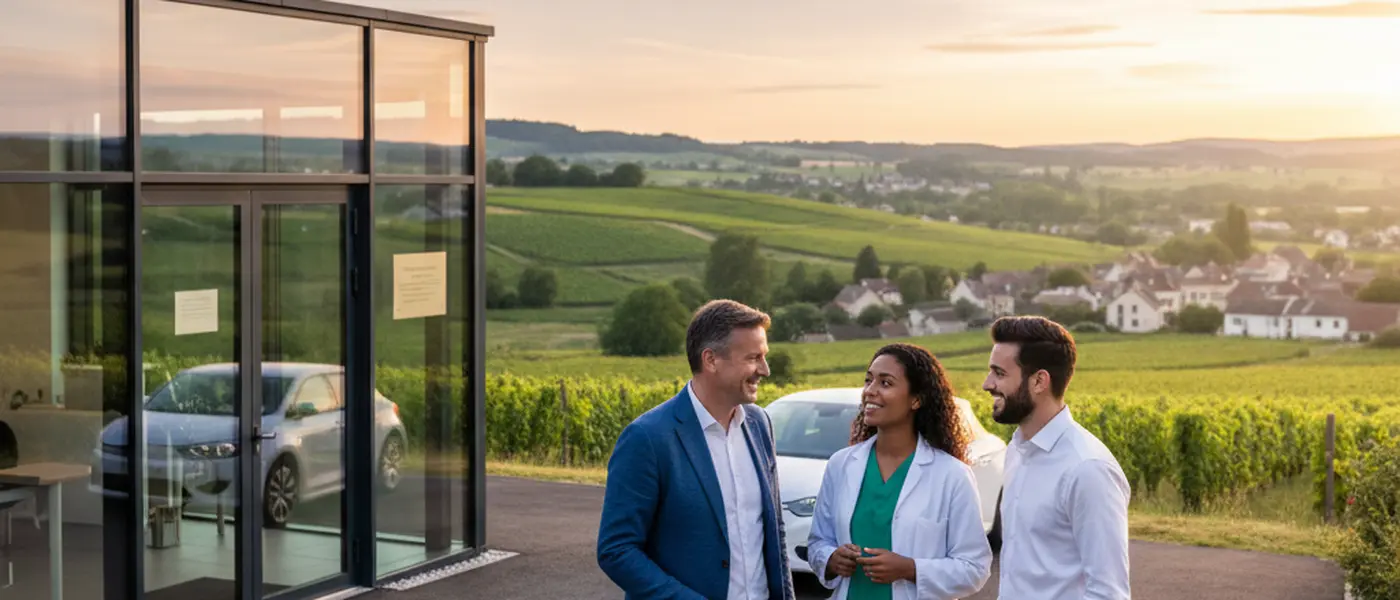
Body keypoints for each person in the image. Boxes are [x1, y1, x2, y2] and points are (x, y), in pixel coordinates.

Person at [597, 299, 795, 600]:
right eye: (753, 358)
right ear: (711, 360)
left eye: (764, 357)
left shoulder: (760, 424)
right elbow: (616, 549)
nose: (765, 370)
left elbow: (774, 529)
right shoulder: (647, 438)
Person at [806, 343, 993, 600]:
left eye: (885, 383)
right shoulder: (841, 465)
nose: (870, 391)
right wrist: (830, 559)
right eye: (868, 380)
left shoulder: (952, 475)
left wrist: (910, 568)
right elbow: (818, 542)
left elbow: (974, 568)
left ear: (916, 399)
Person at [982, 316, 1131, 600]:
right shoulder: (1017, 450)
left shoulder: (1088, 469)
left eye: (999, 373)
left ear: (1039, 381)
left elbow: (1108, 593)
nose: (987, 384)